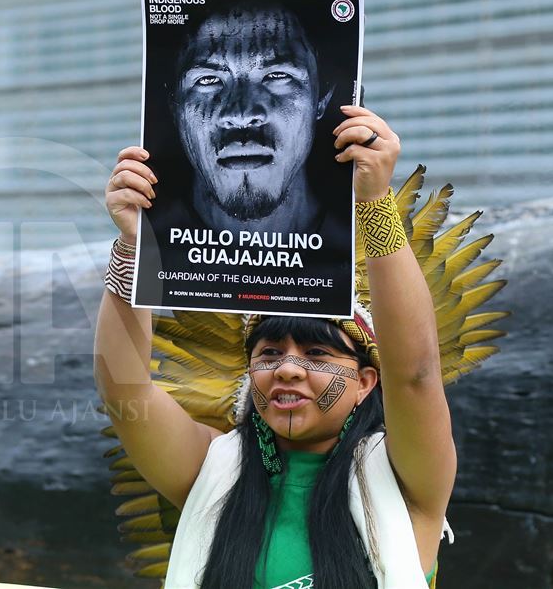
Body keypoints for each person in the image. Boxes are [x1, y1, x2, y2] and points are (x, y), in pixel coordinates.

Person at [98, 106, 464, 588]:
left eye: (317, 355)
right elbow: (125, 391)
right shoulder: (212, 467)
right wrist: (135, 245)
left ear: (365, 382)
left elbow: (415, 375)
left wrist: (373, 202)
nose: (287, 370)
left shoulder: (406, 478)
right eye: (269, 354)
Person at [169, 1, 337, 236]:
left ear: (322, 97)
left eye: (278, 75)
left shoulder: (359, 239)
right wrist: (131, 243)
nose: (242, 116)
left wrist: (375, 202)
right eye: (207, 80)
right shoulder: (144, 238)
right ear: (174, 106)